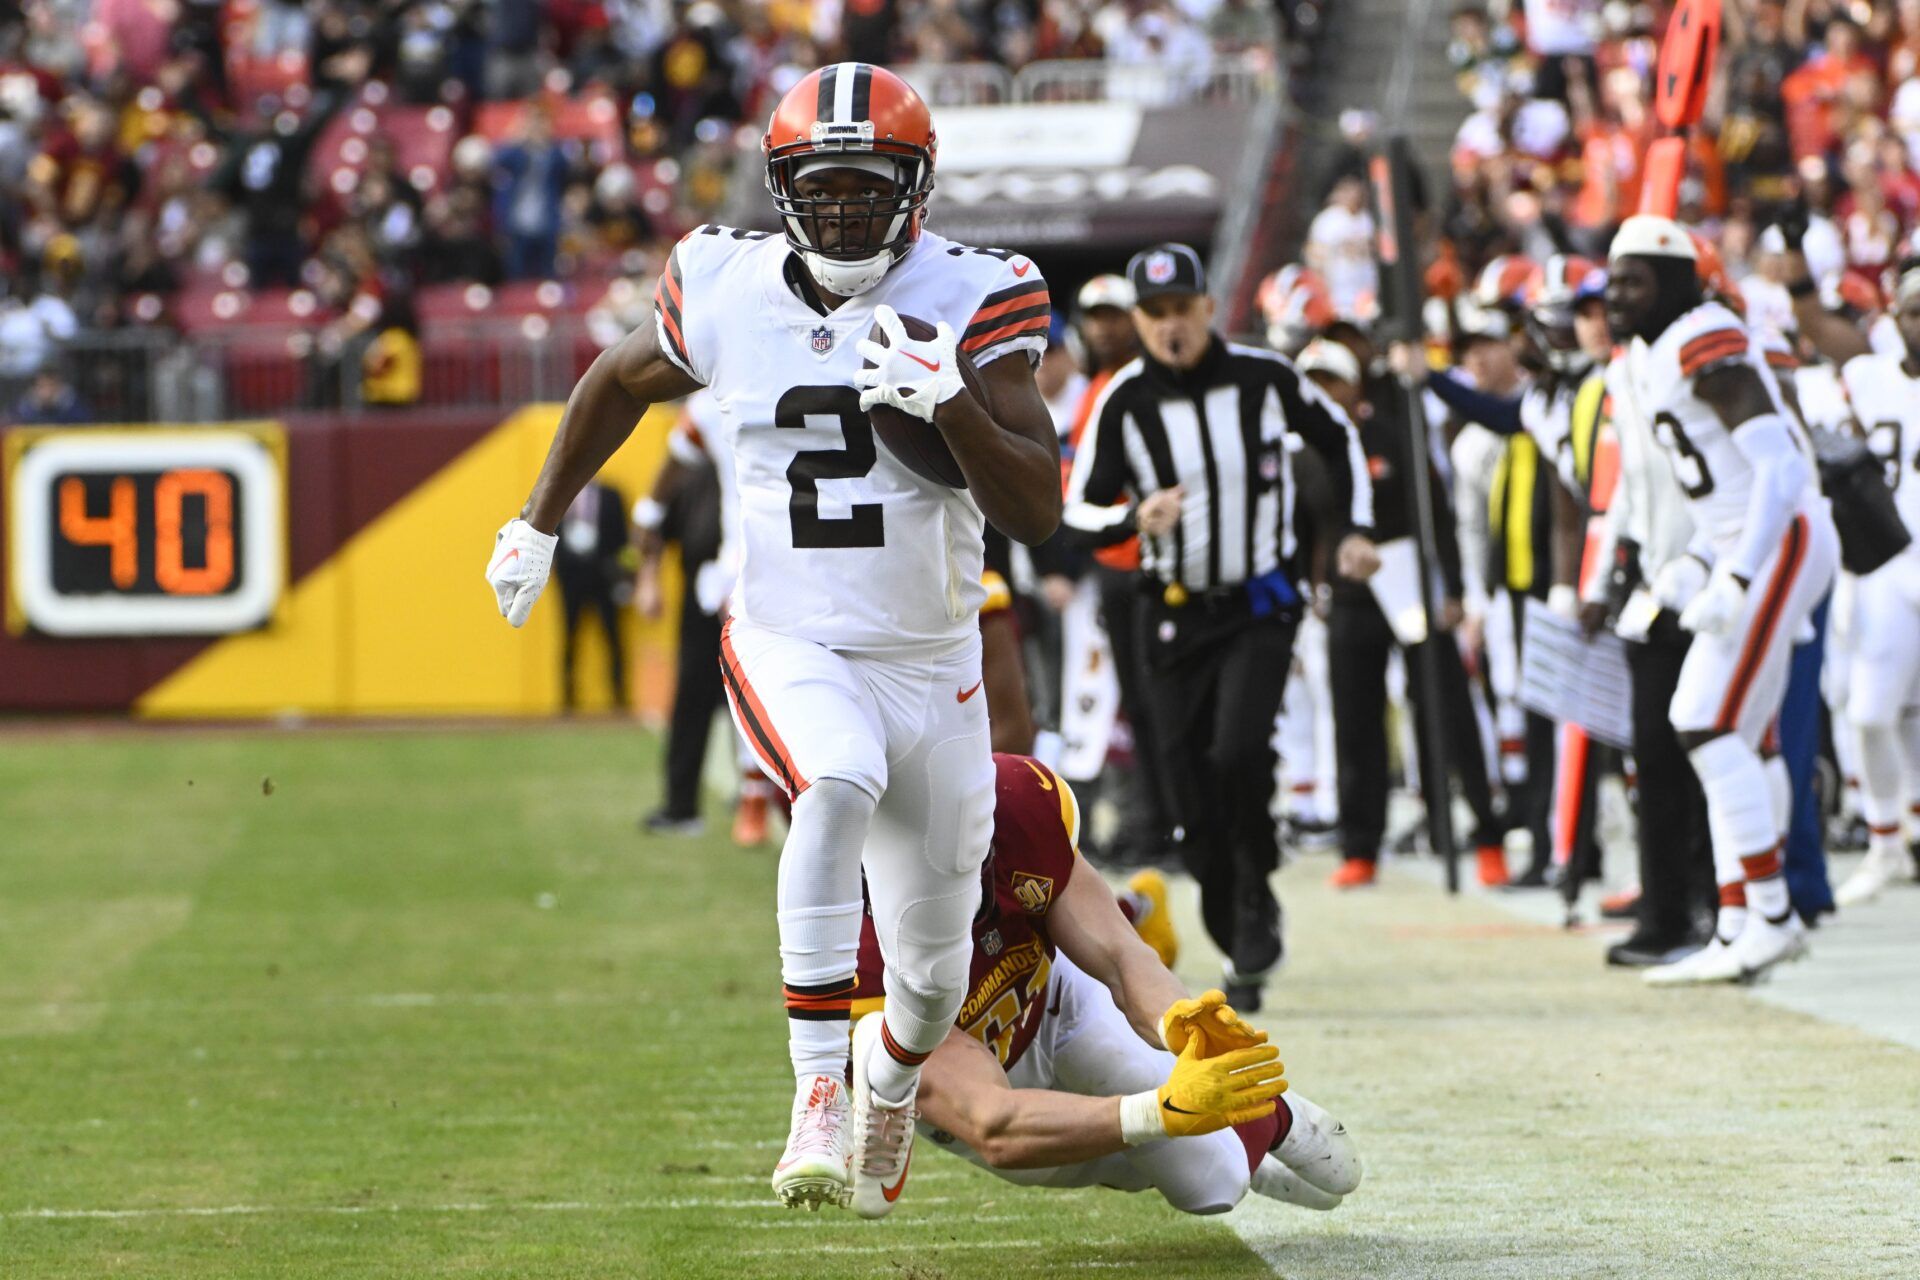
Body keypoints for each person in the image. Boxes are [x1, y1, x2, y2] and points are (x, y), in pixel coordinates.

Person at [484, 64, 1063, 1217]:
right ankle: (814, 1094)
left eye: (867, 185)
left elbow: (1037, 506)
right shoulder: (725, 281)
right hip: (791, 631)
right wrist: (537, 518)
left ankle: (887, 1083)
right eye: (822, 184)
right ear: (780, 186)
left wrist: (946, 396)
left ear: (917, 187)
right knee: (833, 776)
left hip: (934, 656)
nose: (843, 207)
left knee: (933, 977)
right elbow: (616, 377)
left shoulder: (979, 294)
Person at [1063, 242, 1378, 1011]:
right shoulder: (1124, 399)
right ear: (1139, 321)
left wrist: (1353, 529)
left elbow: (1338, 433)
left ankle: (1254, 890)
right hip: (1170, 614)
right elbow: (1077, 507)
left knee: (1238, 749)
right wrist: (1134, 516)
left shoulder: (1265, 379)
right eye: (1155, 314)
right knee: (1187, 792)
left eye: (1182, 310)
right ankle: (1228, 893)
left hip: (1259, 606)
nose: (1171, 327)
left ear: (1209, 307)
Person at [850, 752, 1364, 1214]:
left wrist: (1179, 1028)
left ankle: (1267, 1113)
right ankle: (1209, 1140)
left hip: (1055, 999)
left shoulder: (1013, 805)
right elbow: (996, 1124)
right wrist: (1158, 1112)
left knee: (1215, 1181)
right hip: (986, 1090)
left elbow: (1121, 959)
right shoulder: (857, 958)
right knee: (1188, 1173)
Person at [1603, 216, 1841, 986]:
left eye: (1633, 280)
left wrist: (1735, 572)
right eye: (1613, 279)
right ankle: (1741, 918)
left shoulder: (1703, 333)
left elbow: (1776, 472)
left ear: (1676, 282)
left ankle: (1767, 914)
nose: (1617, 296)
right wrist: (1694, 563)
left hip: (1782, 538)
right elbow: (1723, 494)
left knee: (1702, 719)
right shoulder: (1651, 358)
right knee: (1739, 733)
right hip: (1748, 540)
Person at [1831, 264, 1920, 903]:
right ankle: (1886, 840)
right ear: (1894, 317)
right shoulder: (1868, 377)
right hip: (1889, 564)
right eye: (1914, 311)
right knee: (1869, 711)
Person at [553, 481, 630, 711]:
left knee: (612, 637)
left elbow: (622, 537)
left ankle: (618, 696)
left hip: (603, 578)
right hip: (571, 578)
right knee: (569, 637)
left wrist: (623, 578)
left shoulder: (611, 495)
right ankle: (568, 698)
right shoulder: (561, 494)